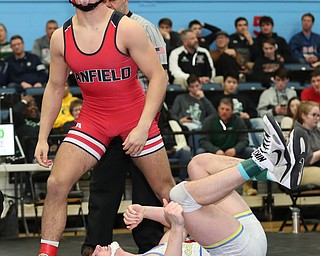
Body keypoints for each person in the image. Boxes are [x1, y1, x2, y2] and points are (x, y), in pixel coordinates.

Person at [34, 1, 176, 256]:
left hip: (134, 115)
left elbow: (158, 77)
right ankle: (46, 253)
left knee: (165, 190)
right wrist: (42, 137)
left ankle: (190, 243)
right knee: (56, 183)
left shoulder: (127, 28)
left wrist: (144, 126)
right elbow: (55, 87)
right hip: (94, 118)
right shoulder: (61, 38)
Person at [92, 114, 308, 256]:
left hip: (241, 236)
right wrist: (176, 228)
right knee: (180, 195)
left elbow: (183, 220)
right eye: (94, 254)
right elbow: (180, 221)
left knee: (199, 164)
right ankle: (262, 161)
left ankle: (276, 173)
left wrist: (145, 211)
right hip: (237, 251)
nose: (94, 250)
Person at [81, 0, 170, 255]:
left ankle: (151, 246)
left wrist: (147, 122)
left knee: (148, 187)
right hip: (110, 119)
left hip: (143, 116)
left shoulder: (143, 27)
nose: (107, 2)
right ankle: (95, 245)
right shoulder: (98, 31)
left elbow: (159, 77)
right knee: (104, 184)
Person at [212, 73, 263, 149]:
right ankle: (251, 148)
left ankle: (265, 147)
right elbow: (213, 114)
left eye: (234, 82)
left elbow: (254, 111)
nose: (231, 85)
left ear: (237, 85)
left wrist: (248, 115)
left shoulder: (244, 97)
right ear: (223, 83)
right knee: (241, 123)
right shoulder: (217, 99)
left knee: (259, 121)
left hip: (246, 120)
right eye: (229, 82)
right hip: (228, 123)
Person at [292, 101, 320, 186]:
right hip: (300, 171)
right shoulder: (298, 133)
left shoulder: (317, 131)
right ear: (304, 116)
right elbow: (307, 160)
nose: (317, 118)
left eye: (318, 115)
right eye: (314, 115)